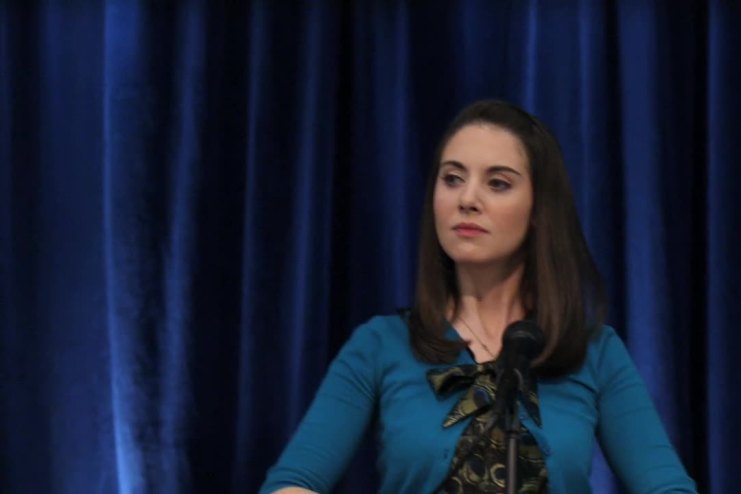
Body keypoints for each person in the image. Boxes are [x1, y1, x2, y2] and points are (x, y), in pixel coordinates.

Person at [260, 100, 697, 493]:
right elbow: (293, 483)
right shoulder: (380, 345)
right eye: (452, 179)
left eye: (498, 183)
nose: (467, 199)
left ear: (539, 210)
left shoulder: (595, 353)